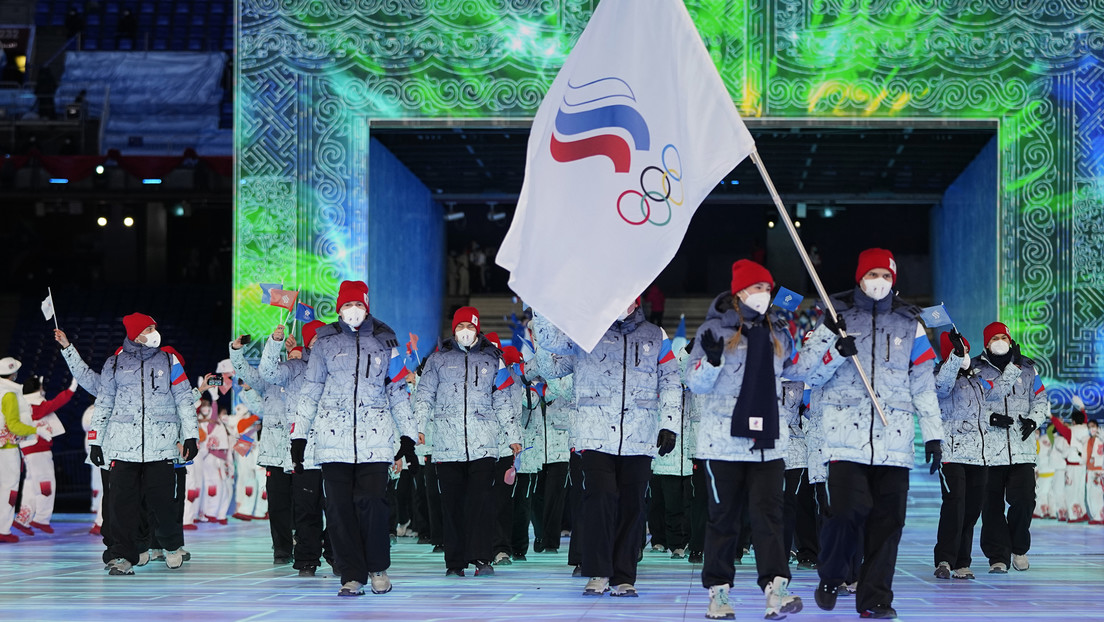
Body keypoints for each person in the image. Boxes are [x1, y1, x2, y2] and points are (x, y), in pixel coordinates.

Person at [789, 248, 943, 619]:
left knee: (887, 525)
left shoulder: (911, 324)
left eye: (886, 276)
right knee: (846, 512)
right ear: (860, 279)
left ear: (894, 280)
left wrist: (935, 434)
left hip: (896, 441)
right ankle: (832, 573)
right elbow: (804, 373)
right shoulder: (835, 317)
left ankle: (875, 600)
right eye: (872, 275)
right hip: (845, 441)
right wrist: (834, 350)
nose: (880, 282)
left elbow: (923, 386)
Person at [532, 298, 681, 598]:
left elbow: (671, 380)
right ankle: (598, 571)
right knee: (599, 502)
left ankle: (624, 576)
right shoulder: (586, 332)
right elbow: (551, 365)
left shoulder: (656, 336)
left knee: (631, 506)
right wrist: (541, 306)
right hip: (595, 433)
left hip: (639, 435)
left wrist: (669, 423)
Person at [685, 260, 801, 620]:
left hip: (767, 446)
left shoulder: (779, 332)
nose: (763, 295)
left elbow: (800, 372)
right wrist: (713, 362)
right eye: (757, 289)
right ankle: (719, 593)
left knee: (769, 518)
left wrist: (825, 338)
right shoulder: (713, 330)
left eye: (767, 288)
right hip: (723, 445)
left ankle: (776, 588)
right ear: (739, 293)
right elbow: (694, 383)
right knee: (724, 520)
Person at [291, 281, 421, 596]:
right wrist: (299, 437)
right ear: (339, 309)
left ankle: (378, 568)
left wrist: (408, 434)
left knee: (373, 504)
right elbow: (310, 391)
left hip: (375, 439)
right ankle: (352, 575)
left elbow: (397, 392)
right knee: (338, 510)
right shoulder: (324, 343)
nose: (353, 311)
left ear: (367, 306)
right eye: (347, 306)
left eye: (358, 305)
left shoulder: (386, 342)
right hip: (332, 440)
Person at [414, 306, 522, 578]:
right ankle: (455, 562)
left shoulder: (492, 359)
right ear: (454, 330)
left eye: (470, 327)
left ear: (477, 329)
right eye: (460, 327)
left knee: (481, 503)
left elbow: (503, 399)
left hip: (483, 444)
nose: (465, 331)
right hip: (448, 445)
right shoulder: (437, 361)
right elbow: (424, 395)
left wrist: (513, 435)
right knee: (452, 504)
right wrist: (417, 427)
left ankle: (482, 558)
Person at [88, 313, 199, 574]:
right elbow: (103, 403)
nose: (154, 332)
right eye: (149, 328)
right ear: (135, 333)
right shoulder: (113, 364)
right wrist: (96, 441)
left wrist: (191, 436)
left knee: (162, 501)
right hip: (123, 447)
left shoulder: (169, 360)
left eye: (154, 328)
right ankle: (123, 556)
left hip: (160, 447)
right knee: (122, 506)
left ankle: (171, 545)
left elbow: (184, 399)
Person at [975, 321, 1047, 573]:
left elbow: (1040, 399)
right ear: (986, 343)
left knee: (1024, 500)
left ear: (1009, 339)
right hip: (988, 452)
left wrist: (1033, 420)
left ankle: (1018, 548)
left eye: (1003, 336)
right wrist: (988, 418)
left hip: (1021, 449)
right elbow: (971, 404)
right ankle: (998, 556)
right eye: (994, 337)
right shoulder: (976, 368)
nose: (999, 341)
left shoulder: (1027, 367)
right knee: (991, 505)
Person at [260, 319, 327, 573]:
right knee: (306, 510)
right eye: (316, 339)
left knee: (338, 508)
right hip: (304, 451)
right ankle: (307, 558)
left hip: (336, 448)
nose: (322, 344)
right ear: (308, 342)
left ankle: (335, 551)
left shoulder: (337, 368)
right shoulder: (295, 368)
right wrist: (275, 343)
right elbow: (268, 372)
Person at [932, 330, 988, 580]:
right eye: (960, 350)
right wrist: (954, 358)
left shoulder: (977, 378)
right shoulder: (939, 374)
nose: (966, 355)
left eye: (965, 350)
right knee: (955, 506)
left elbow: (996, 395)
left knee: (972, 508)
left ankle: (962, 561)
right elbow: (942, 388)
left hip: (979, 453)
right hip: (952, 453)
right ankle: (944, 558)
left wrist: (1013, 367)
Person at [13, 375, 76, 535]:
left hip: (28, 451)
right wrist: (72, 387)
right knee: (46, 485)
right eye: (41, 387)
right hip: (39, 451)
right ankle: (41, 518)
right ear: (37, 390)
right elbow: (57, 402)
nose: (43, 390)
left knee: (31, 487)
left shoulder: (22, 406)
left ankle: (23, 519)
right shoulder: (36, 406)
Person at [1, 357, 38, 543]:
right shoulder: (9, 394)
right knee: (9, 490)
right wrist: (35, 430)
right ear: (13, 373)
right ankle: (3, 529)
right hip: (6, 450)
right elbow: (14, 426)